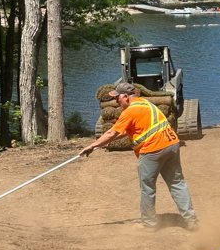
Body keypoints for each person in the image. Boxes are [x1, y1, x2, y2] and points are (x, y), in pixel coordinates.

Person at [79, 82, 198, 231]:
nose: (116, 101)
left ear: (126, 97)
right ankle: (191, 221)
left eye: (117, 98)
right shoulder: (146, 104)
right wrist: (101, 144)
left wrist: (92, 145)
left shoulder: (129, 112)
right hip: (172, 145)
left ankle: (149, 224)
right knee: (177, 184)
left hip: (152, 150)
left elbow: (111, 133)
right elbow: (122, 132)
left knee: (147, 188)